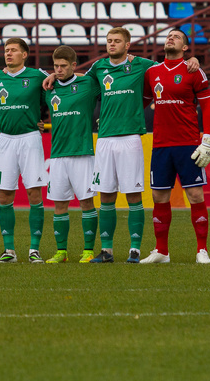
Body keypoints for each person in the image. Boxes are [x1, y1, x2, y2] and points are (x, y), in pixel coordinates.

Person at [48, 27, 199, 263]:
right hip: (105, 138)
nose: (112, 44)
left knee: (133, 194)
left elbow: (169, 65)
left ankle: (135, 250)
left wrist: (193, 60)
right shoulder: (98, 68)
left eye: (117, 41)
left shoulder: (143, 65)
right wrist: (53, 76)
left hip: (130, 138)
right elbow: (76, 84)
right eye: (109, 41)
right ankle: (107, 251)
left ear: (127, 45)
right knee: (106, 195)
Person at [141, 28, 210, 264]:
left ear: (185, 47)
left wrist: (208, 140)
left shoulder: (194, 70)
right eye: (168, 36)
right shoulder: (152, 72)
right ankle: (162, 251)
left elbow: (208, 107)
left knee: (194, 194)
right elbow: (139, 103)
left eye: (177, 37)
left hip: (187, 144)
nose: (170, 38)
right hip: (161, 144)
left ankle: (201, 250)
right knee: (159, 196)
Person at [0, 38, 49, 263]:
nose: (9, 54)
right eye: (6, 50)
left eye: (13, 50)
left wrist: (43, 119)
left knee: (34, 193)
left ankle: (34, 249)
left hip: (30, 139)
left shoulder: (38, 75)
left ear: (25, 54)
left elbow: (52, 96)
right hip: (6, 140)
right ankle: (9, 250)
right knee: (4, 194)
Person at [43, 46, 101, 264]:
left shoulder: (87, 83)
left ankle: (87, 250)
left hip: (82, 153)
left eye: (63, 66)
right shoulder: (48, 87)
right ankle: (61, 252)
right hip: (57, 154)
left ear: (74, 66)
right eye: (55, 66)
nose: (58, 70)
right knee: (59, 205)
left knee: (86, 202)